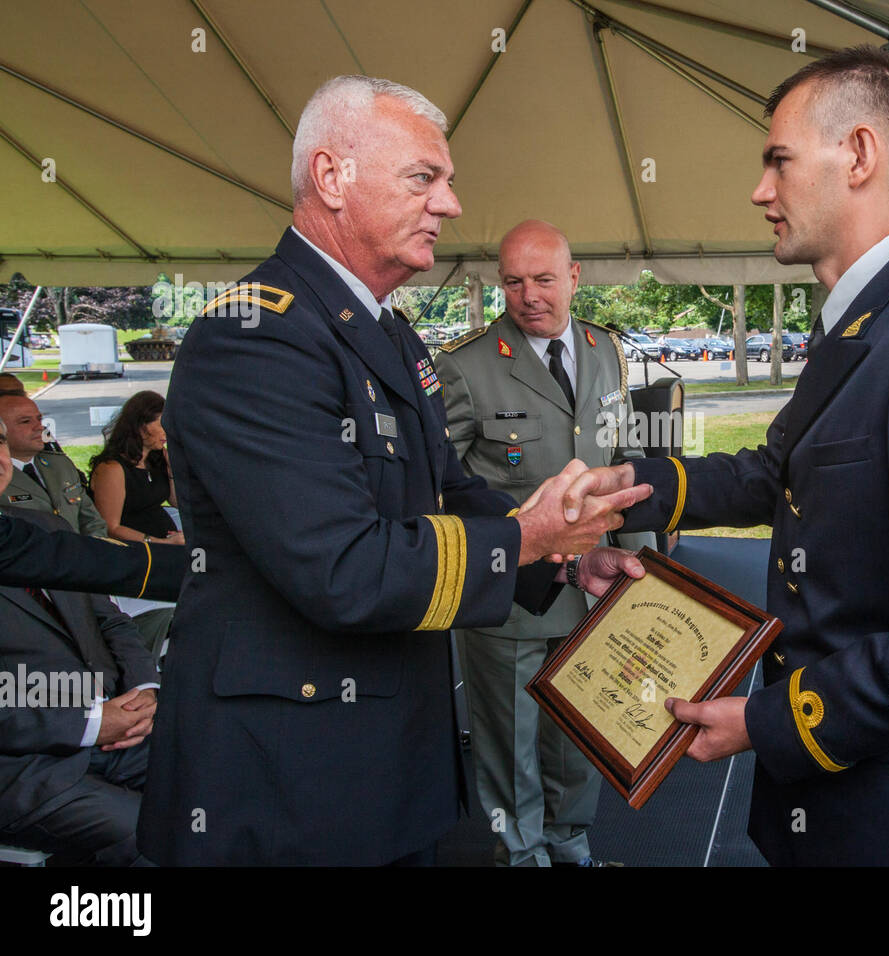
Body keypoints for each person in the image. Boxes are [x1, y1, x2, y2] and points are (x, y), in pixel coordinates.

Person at [136, 75, 648, 867]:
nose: (449, 205)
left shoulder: (387, 336)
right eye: (425, 178)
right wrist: (525, 535)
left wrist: (565, 555)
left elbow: (449, 487)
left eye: (447, 182)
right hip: (286, 774)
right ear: (333, 179)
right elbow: (341, 568)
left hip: (385, 745)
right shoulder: (256, 336)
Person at [565, 46, 889, 865]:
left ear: (857, 155)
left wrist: (772, 720)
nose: (760, 191)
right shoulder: (864, 323)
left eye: (778, 161)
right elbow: (782, 470)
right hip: (832, 804)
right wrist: (636, 487)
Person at [435, 220, 656, 867]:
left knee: (580, 732)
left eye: (543, 279)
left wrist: (644, 565)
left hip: (593, 589)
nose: (529, 294)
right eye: (513, 281)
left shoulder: (606, 350)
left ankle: (567, 842)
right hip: (510, 597)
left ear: (574, 278)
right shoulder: (465, 366)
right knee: (509, 744)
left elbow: (627, 460)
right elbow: (437, 487)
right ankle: (522, 856)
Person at [0, 506, 161, 866]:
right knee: (150, 832)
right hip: (22, 767)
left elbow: (111, 622)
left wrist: (145, 692)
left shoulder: (45, 525)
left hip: (120, 727)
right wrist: (91, 723)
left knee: (221, 776)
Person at [0, 417, 186, 601]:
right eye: (24, 421)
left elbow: (87, 529)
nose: (38, 427)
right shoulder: (112, 468)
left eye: (0, 442)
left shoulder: (56, 465)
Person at [0, 394, 107, 537]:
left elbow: (92, 521)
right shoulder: (3, 477)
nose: (39, 427)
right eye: (25, 421)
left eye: (39, 419)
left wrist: (91, 554)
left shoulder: (60, 464)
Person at [88, 391, 184, 547]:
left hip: (166, 543)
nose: (168, 431)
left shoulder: (155, 459)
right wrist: (160, 542)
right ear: (140, 426)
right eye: (162, 424)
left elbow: (175, 502)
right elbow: (111, 527)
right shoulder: (112, 468)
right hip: (135, 552)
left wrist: (172, 472)